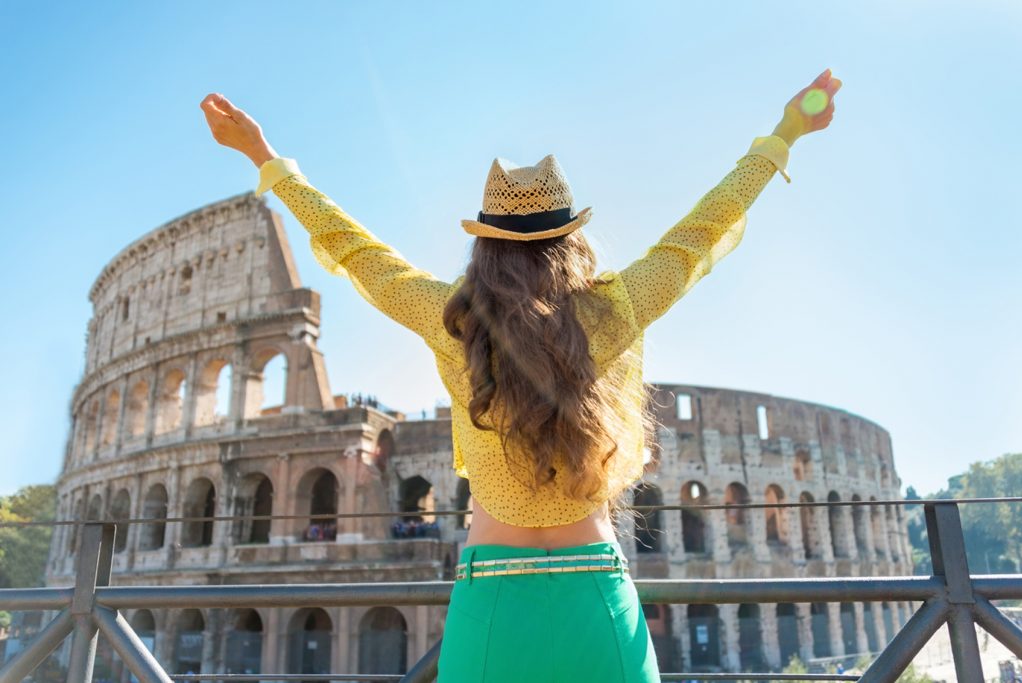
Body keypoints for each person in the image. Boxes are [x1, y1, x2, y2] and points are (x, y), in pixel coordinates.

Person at [200, 68, 840, 681]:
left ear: (485, 240)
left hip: (494, 601)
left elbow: (356, 250)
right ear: (571, 238)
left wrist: (267, 160)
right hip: (598, 597)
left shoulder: (451, 318)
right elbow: (702, 231)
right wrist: (784, 134)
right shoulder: (614, 310)